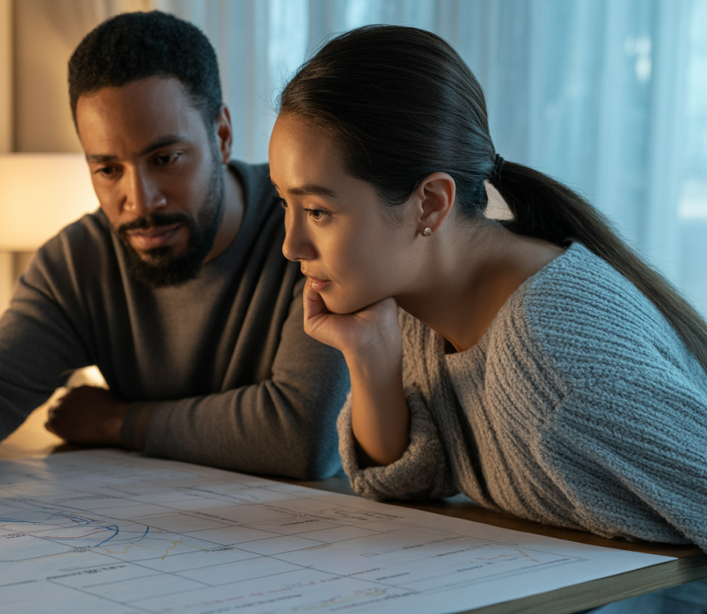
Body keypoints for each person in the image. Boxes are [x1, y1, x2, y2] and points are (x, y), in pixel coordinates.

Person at [0, 11, 349, 507]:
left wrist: (118, 420)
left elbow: (305, 432)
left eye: (165, 159)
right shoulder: (79, 261)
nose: (139, 202)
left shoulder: (310, 233)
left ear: (222, 136)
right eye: (107, 169)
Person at [269, 24, 707, 554]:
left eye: (317, 211)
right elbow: (408, 481)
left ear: (431, 203)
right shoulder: (416, 299)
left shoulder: (556, 347)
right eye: (284, 204)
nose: (291, 245)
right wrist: (370, 357)